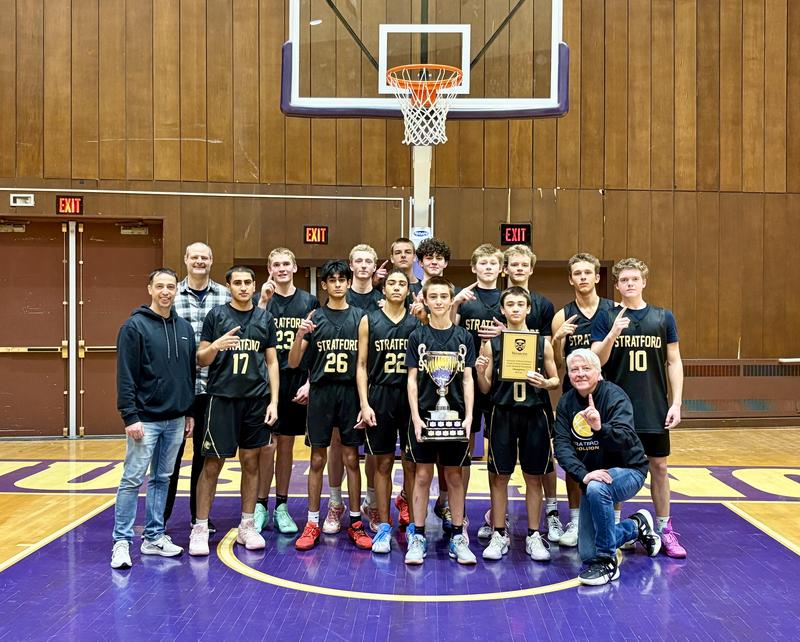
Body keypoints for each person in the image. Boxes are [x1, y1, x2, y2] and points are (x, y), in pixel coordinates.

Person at [591, 258, 686, 558]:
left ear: (644, 282)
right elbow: (598, 360)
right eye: (624, 280)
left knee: (659, 467)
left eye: (635, 279)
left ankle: (664, 529)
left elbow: (674, 361)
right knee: (614, 472)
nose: (629, 283)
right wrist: (612, 334)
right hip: (618, 411)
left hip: (653, 407)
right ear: (617, 285)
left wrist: (677, 402)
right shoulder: (606, 316)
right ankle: (616, 530)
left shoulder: (663, 317)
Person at [189, 266, 279, 556]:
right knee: (212, 465)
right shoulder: (216, 316)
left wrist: (274, 401)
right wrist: (215, 345)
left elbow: (272, 363)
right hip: (221, 399)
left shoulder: (265, 318)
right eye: (237, 282)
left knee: (252, 464)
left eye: (247, 282)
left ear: (255, 285)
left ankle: (247, 525)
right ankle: (200, 527)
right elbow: (201, 359)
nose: (243, 287)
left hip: (255, 401)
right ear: (228, 286)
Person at [111, 268, 196, 570]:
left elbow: (189, 374)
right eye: (159, 286)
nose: (165, 292)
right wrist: (130, 416)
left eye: (170, 287)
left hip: (175, 420)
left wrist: (188, 411)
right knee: (133, 479)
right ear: (149, 288)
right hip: (144, 420)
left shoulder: (185, 327)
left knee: (163, 479)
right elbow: (125, 377)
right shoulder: (134, 327)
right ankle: (121, 542)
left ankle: (154, 537)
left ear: (176, 291)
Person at [554, 349, 661, 585]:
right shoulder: (566, 402)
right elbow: (561, 446)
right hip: (591, 477)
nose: (580, 374)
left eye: (586, 369)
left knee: (596, 489)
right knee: (586, 553)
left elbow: (624, 438)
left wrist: (600, 428)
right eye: (574, 370)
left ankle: (607, 563)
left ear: (598, 372)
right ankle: (636, 526)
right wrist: (583, 474)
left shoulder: (614, 396)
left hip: (629, 470)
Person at [288, 260, 372, 551]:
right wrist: (300, 334)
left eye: (341, 279)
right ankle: (312, 522)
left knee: (351, 459)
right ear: (323, 284)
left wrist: (364, 403)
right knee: (316, 460)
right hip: (322, 393)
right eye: (331, 279)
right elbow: (294, 362)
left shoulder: (360, 317)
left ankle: (356, 522)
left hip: (349, 393)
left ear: (348, 283)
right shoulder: (315, 316)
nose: (337, 284)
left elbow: (362, 365)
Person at [474, 287, 560, 562]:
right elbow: (486, 388)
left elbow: (556, 379)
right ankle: (500, 533)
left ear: (528, 309)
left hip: (535, 414)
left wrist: (546, 383)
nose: (514, 309)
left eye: (520, 304)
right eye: (509, 304)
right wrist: (479, 372)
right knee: (500, 477)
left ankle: (534, 535)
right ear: (502, 310)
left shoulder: (541, 343)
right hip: (503, 413)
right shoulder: (493, 344)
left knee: (533, 476)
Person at [405, 277, 477, 566]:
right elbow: (411, 381)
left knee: (454, 476)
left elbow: (469, 379)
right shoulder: (416, 337)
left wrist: (470, 416)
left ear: (451, 299)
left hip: (456, 417)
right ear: (425, 300)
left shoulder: (464, 337)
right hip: (424, 416)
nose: (438, 301)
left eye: (443, 296)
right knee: (422, 475)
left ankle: (458, 535)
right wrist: (415, 418)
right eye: (432, 296)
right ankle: (418, 535)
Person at [550, 253, 615, 548]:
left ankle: (611, 523)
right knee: (575, 461)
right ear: (571, 279)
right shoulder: (562, 316)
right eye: (577, 273)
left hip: (606, 396)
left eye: (588, 272)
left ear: (598, 277)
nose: (583, 278)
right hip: (573, 398)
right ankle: (575, 521)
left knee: (612, 457)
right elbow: (558, 367)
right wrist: (558, 339)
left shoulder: (613, 311)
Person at [165, 242, 230, 535]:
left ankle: (198, 517)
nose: (199, 261)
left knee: (204, 457)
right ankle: (160, 521)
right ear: (186, 260)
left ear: (211, 260)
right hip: (179, 389)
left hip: (213, 389)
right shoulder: (171, 294)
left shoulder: (225, 296)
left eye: (205, 257)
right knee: (170, 457)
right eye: (195, 257)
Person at [254, 247, 319, 534]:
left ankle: (281, 505)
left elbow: (316, 345)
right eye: (276, 264)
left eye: (286, 264)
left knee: (285, 446)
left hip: (295, 380)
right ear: (270, 269)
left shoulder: (309, 300)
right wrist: (263, 302)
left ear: (294, 268)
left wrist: (309, 381)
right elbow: (251, 334)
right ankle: (258, 505)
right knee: (264, 447)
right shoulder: (261, 300)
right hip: (265, 382)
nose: (281, 268)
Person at [501, 244, 563, 543]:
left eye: (524, 264)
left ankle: (547, 517)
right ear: (506, 268)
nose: (519, 268)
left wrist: (548, 381)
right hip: (502, 399)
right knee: (499, 470)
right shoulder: (498, 304)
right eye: (514, 264)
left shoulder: (543, 305)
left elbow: (553, 366)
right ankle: (500, 523)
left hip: (534, 400)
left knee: (540, 465)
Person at [356, 269, 419, 553]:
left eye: (402, 283)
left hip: (409, 397)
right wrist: (365, 403)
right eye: (391, 282)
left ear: (408, 289)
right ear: (384, 288)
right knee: (381, 464)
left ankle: (411, 517)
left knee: (411, 462)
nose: (396, 287)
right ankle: (383, 525)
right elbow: (361, 366)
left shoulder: (416, 321)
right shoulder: (370, 319)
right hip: (379, 396)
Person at [452, 243, 505, 535]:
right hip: (465, 381)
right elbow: (445, 329)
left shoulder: (507, 299)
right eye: (482, 263)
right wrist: (455, 304)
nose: (487, 268)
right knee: (466, 450)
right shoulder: (466, 298)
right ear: (474, 268)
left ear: (501, 268)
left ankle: (496, 515)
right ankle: (461, 514)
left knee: (498, 452)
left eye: (492, 263)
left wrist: (503, 332)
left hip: (498, 383)